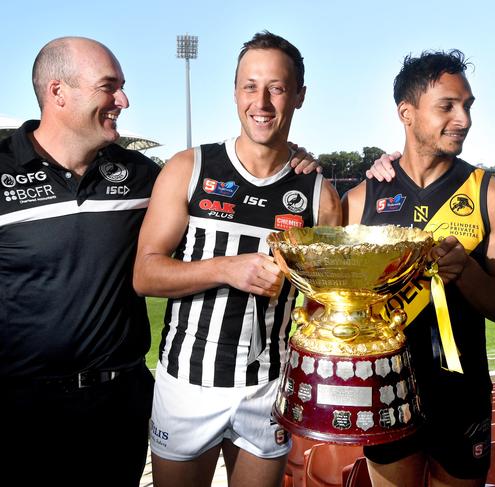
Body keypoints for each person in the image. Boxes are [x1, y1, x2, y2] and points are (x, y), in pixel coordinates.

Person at [133, 31, 341, 487]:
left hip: (268, 388)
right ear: (234, 92)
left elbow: (322, 304)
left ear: (300, 96)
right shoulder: (189, 168)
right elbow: (144, 273)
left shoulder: (319, 195)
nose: (261, 102)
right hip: (187, 383)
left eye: (277, 88)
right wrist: (226, 268)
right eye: (250, 86)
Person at [343, 50, 495, 486]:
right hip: (385, 394)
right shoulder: (359, 202)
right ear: (406, 113)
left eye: (467, 105)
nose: (463, 118)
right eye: (447, 106)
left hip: (462, 399)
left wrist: (467, 272)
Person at [0, 37, 158, 486]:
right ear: (58, 92)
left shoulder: (142, 175)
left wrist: (288, 161)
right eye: (109, 87)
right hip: (21, 412)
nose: (122, 100)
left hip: (118, 405)